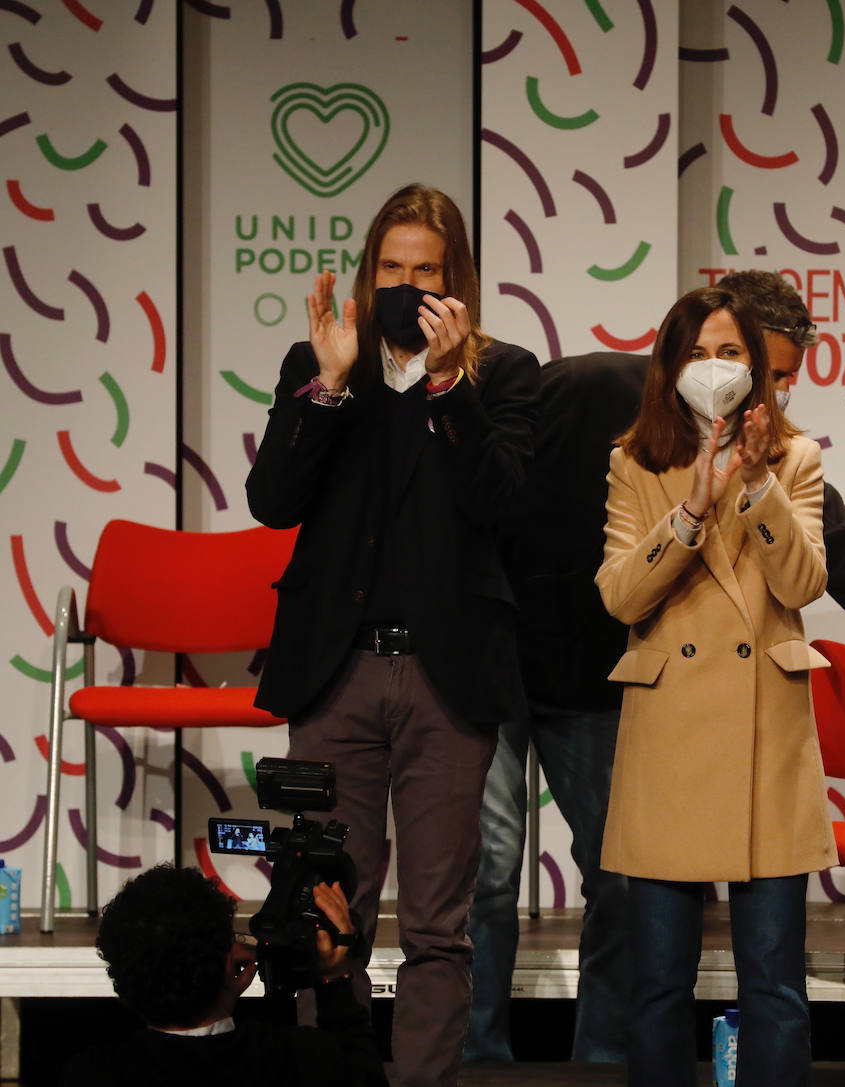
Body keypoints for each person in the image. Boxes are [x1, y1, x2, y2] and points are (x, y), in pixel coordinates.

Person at [466, 273, 845, 1064]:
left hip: (608, 688)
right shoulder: (595, 398)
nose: (769, 387)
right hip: (497, 656)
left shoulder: (772, 452)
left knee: (619, 894)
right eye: (764, 365)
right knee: (487, 873)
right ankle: (476, 1063)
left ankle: (601, 1063)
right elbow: (484, 493)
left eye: (775, 374)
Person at [246, 182, 538, 1084]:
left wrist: (448, 386)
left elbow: (503, 503)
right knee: (325, 914)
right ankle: (334, 1075)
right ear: (370, 274)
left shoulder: (506, 372)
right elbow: (272, 501)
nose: (409, 286)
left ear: (461, 285)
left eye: (429, 271)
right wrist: (328, 388)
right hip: (338, 677)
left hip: (448, 681)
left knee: (437, 927)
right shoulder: (323, 356)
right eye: (392, 268)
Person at [597, 285, 832, 1086]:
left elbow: (801, 585)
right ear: (670, 365)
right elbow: (621, 595)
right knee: (659, 980)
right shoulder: (635, 462)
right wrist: (691, 513)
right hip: (668, 737)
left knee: (775, 982)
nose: (715, 368)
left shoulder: (797, 457)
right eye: (697, 352)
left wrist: (760, 484)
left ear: (757, 368)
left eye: (731, 352)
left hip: (766, 739)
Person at [61, 864, 385, 1087]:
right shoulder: (298, 1060)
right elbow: (362, 1075)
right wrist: (335, 981)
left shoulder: (90, 1074)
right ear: (230, 965)